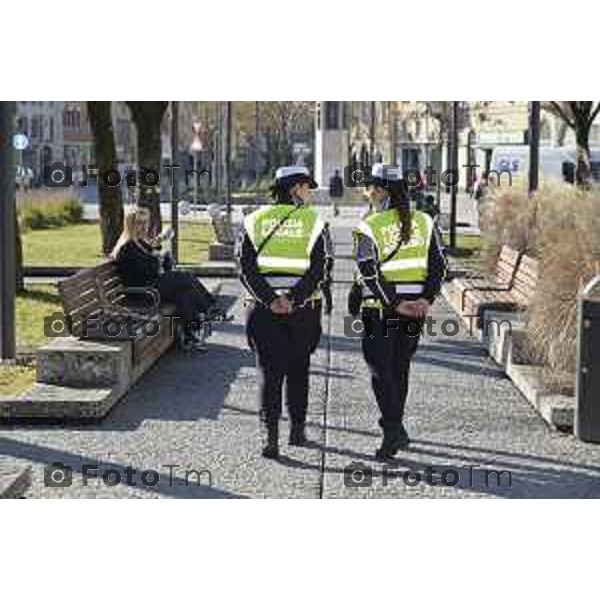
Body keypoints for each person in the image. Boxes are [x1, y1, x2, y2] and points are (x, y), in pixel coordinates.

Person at [352, 163, 446, 461]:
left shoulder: (371, 225)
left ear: (379, 190)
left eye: (369, 187)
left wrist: (394, 303)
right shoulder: (425, 221)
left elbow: (368, 273)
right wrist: (426, 300)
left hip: (380, 310)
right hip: (414, 311)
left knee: (381, 372)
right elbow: (439, 266)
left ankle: (391, 430)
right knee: (400, 368)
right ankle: (399, 428)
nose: (367, 192)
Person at [239, 166, 331, 459]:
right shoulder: (314, 221)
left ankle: (270, 437)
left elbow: (244, 268)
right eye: (306, 187)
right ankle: (297, 431)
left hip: (262, 311)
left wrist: (270, 299)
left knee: (269, 371)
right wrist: (293, 298)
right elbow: (321, 267)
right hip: (303, 310)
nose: (309, 192)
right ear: (294, 189)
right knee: (299, 369)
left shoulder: (253, 220)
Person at [111, 206, 226, 351]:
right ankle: (210, 308)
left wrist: (159, 256)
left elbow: (153, 262)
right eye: (140, 223)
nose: (144, 227)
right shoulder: (127, 247)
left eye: (145, 223)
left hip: (150, 286)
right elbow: (147, 272)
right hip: (142, 292)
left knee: (184, 293)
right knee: (184, 277)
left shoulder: (138, 243)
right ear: (131, 225)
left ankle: (190, 335)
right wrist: (158, 260)